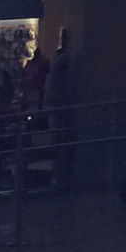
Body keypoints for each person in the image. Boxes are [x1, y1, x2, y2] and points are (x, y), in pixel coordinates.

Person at [44, 29, 79, 188]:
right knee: (59, 141)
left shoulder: (60, 61)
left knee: (59, 141)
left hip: (57, 104)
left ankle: (60, 175)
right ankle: (60, 174)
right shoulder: (62, 61)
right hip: (59, 104)